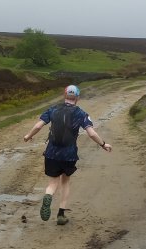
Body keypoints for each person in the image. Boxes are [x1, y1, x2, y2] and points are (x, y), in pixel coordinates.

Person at [23, 85, 112, 225]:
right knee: (65, 182)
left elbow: (39, 126)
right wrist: (103, 144)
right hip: (69, 155)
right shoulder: (81, 113)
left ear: (64, 95)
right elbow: (91, 133)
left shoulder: (52, 109)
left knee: (53, 182)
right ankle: (61, 214)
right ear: (77, 98)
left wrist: (28, 136)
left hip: (51, 153)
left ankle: (48, 195)